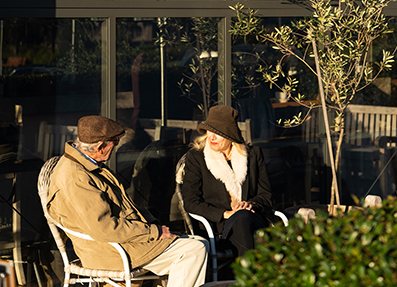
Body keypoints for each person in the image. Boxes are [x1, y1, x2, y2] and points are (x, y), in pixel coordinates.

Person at [47, 115, 208, 287]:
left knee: (198, 243)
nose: (116, 147)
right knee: (194, 251)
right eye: (114, 144)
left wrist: (154, 227)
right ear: (100, 147)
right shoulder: (77, 178)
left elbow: (123, 208)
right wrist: (154, 232)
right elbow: (105, 227)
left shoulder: (86, 164)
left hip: (123, 241)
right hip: (111, 251)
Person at [182, 105, 274, 259]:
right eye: (209, 131)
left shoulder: (253, 155)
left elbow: (266, 196)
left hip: (253, 219)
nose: (211, 137)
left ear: (230, 136)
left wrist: (251, 204)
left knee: (244, 218)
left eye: (218, 133)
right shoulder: (197, 158)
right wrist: (224, 214)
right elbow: (190, 201)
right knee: (244, 223)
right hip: (219, 226)